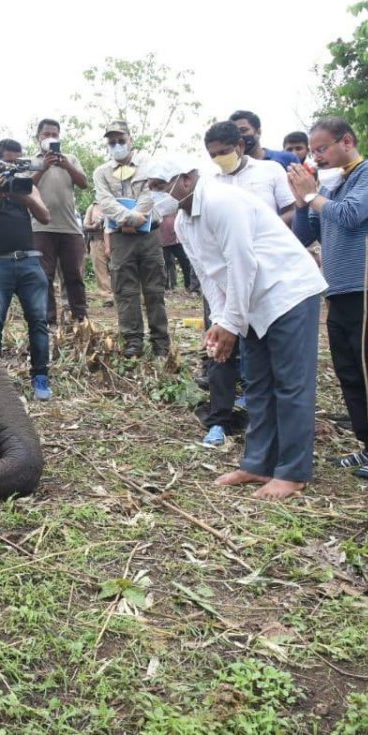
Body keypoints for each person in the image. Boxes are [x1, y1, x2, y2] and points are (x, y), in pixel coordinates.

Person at [146, 156, 327, 500]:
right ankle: (258, 463)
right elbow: (209, 276)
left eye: (159, 186)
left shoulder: (221, 202)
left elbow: (242, 262)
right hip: (251, 302)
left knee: (290, 384)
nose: (157, 195)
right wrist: (220, 321)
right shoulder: (184, 222)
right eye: (152, 188)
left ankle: (293, 472)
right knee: (258, 383)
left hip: (287, 292)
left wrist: (232, 322)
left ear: (185, 178)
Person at [288, 117, 368, 480]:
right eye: (314, 151)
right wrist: (300, 203)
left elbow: (352, 215)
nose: (318, 156)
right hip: (341, 290)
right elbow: (304, 235)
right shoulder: (336, 186)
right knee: (351, 372)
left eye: (322, 148)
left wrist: (313, 195)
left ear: (346, 141)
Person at [197, 120, 301, 446]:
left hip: (265, 276)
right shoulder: (210, 183)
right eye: (213, 154)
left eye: (225, 152)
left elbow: (291, 210)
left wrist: (256, 230)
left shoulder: (269, 172)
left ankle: (262, 414)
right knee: (219, 343)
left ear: (241, 146)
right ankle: (220, 418)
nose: (219, 159)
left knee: (263, 347)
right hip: (224, 276)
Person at [0, 138, 53, 401]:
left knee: (38, 321)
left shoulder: (28, 185)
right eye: (8, 160)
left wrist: (23, 197)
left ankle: (41, 378)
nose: (13, 165)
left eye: (17, 161)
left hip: (29, 262)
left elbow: (45, 216)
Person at [93, 119, 170, 357]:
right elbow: (104, 202)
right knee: (125, 291)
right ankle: (132, 341)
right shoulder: (101, 172)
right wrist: (130, 218)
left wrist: (139, 217)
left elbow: (151, 194)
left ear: (130, 140)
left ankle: (161, 343)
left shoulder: (149, 164)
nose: (117, 145)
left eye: (121, 140)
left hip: (149, 235)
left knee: (154, 290)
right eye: (112, 142)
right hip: (120, 239)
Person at [30, 118, 90, 325]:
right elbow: (26, 187)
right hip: (40, 227)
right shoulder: (32, 161)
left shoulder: (70, 158)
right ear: (38, 137)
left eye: (54, 134)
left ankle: (80, 319)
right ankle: (49, 321)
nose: (50, 138)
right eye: (46, 134)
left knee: (73, 275)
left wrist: (67, 165)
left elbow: (83, 183)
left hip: (70, 228)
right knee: (43, 276)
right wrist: (43, 167)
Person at [230, 110, 300, 170]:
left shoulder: (287, 159)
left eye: (243, 130)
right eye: (235, 133)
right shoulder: (231, 167)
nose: (240, 137)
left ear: (258, 132)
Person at [82, 200, 113, 306]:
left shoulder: (115, 203)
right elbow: (85, 226)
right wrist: (94, 226)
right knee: (100, 269)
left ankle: (121, 294)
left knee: (119, 268)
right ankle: (107, 297)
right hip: (96, 240)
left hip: (115, 240)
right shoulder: (92, 207)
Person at [159, 210, 194, 291]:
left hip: (176, 241)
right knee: (164, 265)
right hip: (164, 243)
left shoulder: (174, 208)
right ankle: (166, 286)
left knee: (185, 262)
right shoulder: (158, 210)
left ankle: (188, 284)